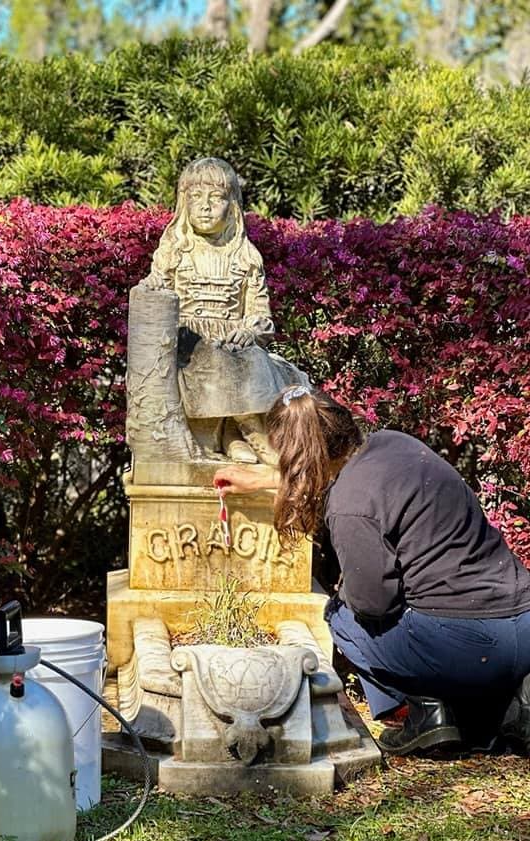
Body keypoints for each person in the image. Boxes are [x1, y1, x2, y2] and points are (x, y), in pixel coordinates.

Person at [213, 384, 530, 756]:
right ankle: (515, 700)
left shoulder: (349, 505)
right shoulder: (394, 443)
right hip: (523, 623)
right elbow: (365, 486)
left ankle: (424, 713)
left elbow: (373, 605)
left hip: (467, 647)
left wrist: (345, 589)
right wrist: (270, 481)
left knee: (342, 617)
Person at [140, 157, 307, 465]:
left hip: (232, 339)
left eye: (215, 198)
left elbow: (260, 313)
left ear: (231, 205)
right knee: (213, 356)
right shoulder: (173, 251)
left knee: (253, 358)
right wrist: (152, 285)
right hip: (187, 342)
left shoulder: (246, 256)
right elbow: (155, 293)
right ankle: (245, 431)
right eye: (195, 198)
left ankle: (241, 433)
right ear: (183, 203)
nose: (205, 206)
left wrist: (249, 329)